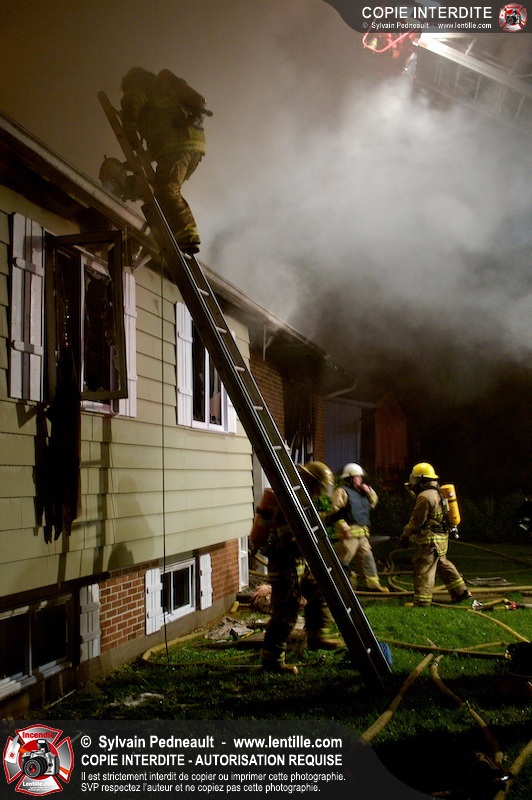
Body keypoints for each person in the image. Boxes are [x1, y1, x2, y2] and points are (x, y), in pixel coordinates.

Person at [254, 461, 343, 674]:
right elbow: (291, 542)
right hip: (284, 566)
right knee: (286, 613)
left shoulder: (302, 503)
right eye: (318, 488)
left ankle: (315, 636)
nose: (318, 493)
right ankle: (272, 661)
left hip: (298, 564)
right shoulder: (288, 506)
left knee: (317, 589)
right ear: (310, 483)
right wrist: (312, 548)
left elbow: (313, 523)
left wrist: (336, 517)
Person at [118, 66, 211, 254]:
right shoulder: (161, 94)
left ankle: (189, 238)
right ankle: (166, 235)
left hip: (179, 145)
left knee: (168, 190)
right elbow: (160, 143)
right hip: (192, 145)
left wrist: (128, 132)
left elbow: (131, 106)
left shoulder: (138, 88)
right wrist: (135, 161)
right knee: (161, 192)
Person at [399, 462, 472, 607]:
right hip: (441, 538)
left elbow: (416, 521)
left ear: (421, 479)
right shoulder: (437, 491)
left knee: (424, 568)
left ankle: (422, 601)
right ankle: (460, 592)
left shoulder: (425, 496)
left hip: (430, 540)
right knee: (442, 565)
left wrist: (405, 535)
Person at [329, 463, 389, 593]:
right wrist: (344, 528)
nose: (361, 479)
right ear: (350, 478)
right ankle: (338, 585)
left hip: (362, 535)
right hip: (348, 535)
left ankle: (372, 585)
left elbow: (373, 502)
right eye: (358, 477)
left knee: (367, 558)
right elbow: (334, 512)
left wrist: (369, 491)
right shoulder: (341, 491)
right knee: (342, 560)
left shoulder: (363, 492)